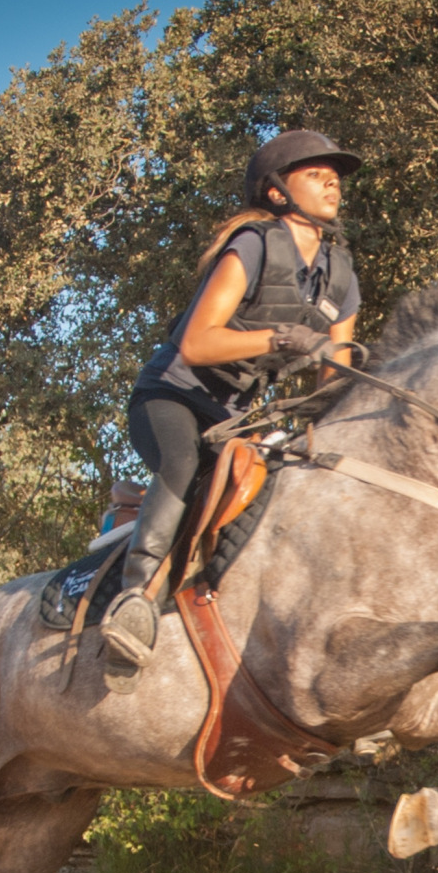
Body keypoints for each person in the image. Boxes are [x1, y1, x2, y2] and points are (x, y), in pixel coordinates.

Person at [100, 129, 363, 690]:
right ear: (276, 192)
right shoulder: (253, 245)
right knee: (182, 462)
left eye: (334, 175)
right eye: (316, 174)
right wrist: (278, 339)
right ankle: (133, 600)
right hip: (171, 396)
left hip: (234, 418)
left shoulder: (341, 276)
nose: (332, 181)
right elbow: (197, 344)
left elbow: (333, 374)